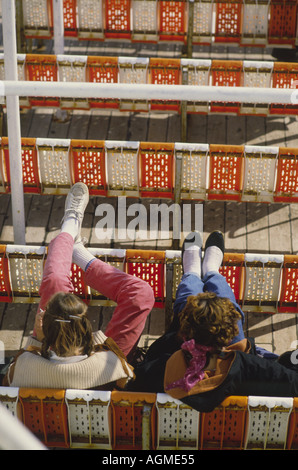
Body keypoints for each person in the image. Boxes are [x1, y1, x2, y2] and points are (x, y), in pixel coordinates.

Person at [3, 183, 155, 390]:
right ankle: (78, 248)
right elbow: (126, 373)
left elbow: (16, 373)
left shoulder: (22, 368)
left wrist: (39, 341)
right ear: (87, 332)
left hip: (52, 370)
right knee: (141, 293)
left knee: (55, 284)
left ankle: (69, 228)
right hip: (99, 372)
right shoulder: (111, 362)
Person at [129, 231, 298, 412]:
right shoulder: (247, 366)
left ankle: (193, 272)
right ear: (229, 334)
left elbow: (132, 380)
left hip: (188, 352)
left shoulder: (164, 368)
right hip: (226, 357)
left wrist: (171, 340)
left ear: (184, 333)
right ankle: (211, 272)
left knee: (194, 304)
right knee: (221, 309)